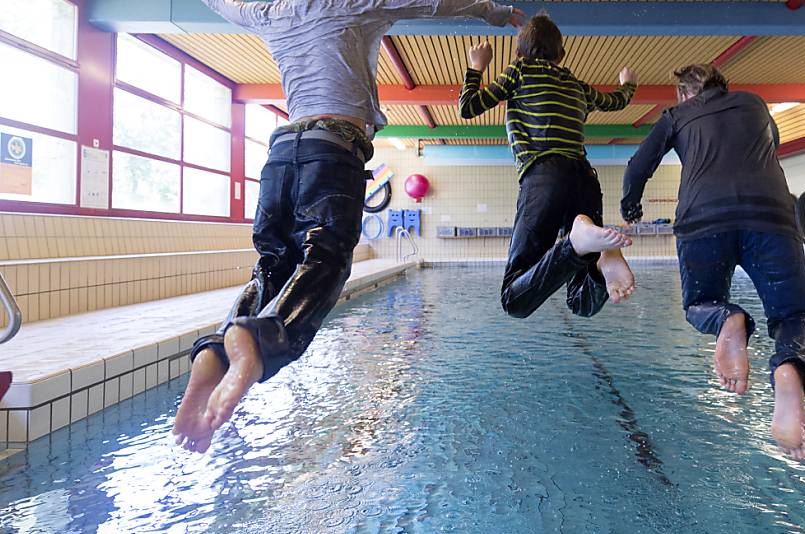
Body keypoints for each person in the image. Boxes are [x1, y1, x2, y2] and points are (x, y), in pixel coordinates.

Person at [173, 0, 525, 453]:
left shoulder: (266, 11)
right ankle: (259, 339)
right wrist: (493, 13)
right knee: (327, 257)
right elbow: (434, 3)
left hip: (280, 155)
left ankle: (218, 351)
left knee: (272, 266)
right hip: (332, 150)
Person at [621, 64, 805, 460]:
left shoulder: (676, 115)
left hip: (703, 218)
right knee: (795, 316)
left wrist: (631, 207)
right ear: (722, 86)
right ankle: (788, 370)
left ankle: (728, 319)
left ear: (683, 94)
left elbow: (637, 166)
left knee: (700, 304)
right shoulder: (755, 104)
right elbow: (771, 145)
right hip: (771, 216)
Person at [458, 14, 638, 320]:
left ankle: (577, 244)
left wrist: (478, 66)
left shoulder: (519, 70)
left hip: (545, 177)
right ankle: (598, 263)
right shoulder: (577, 86)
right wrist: (629, 85)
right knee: (581, 304)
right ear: (561, 55)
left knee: (514, 300)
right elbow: (616, 101)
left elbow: (468, 106)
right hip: (585, 181)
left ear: (518, 53)